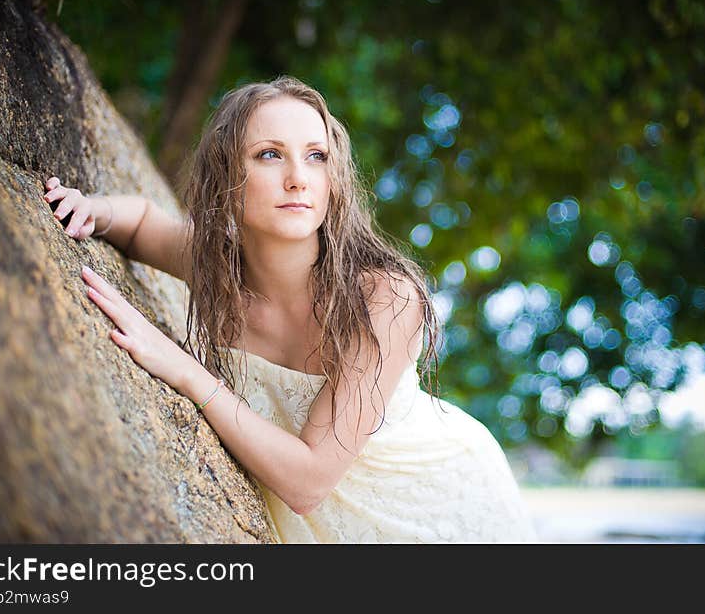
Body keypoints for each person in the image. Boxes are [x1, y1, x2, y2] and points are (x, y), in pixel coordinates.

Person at [44, 75, 538, 543]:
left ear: (335, 179)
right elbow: (143, 223)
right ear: (227, 177)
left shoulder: (385, 298)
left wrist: (183, 370)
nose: (298, 178)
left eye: (316, 156)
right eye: (269, 155)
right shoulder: (218, 271)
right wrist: (95, 210)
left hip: (438, 515)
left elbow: (308, 482)